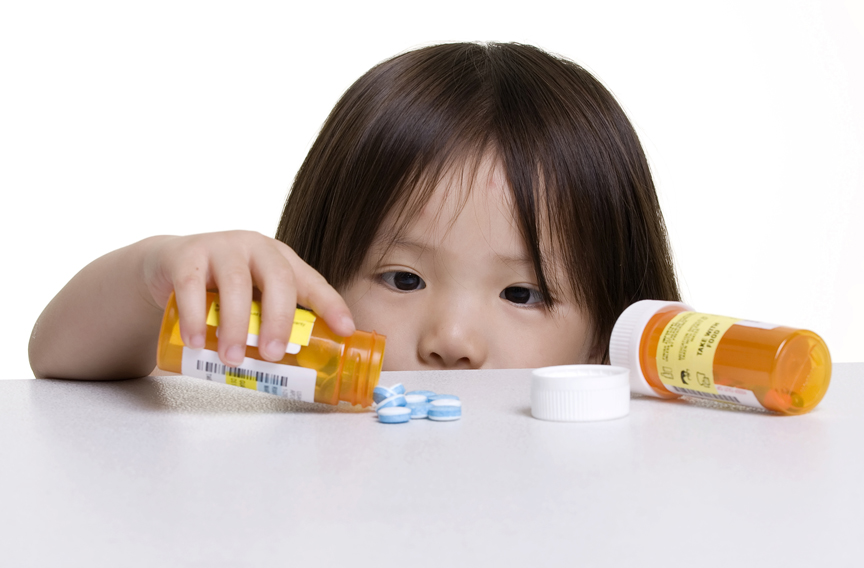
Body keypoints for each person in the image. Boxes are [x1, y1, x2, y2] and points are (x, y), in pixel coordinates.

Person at [28, 42, 680, 379]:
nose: (451, 342)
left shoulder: (613, 477)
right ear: (313, 277)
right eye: (402, 279)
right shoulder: (289, 379)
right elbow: (57, 356)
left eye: (520, 292)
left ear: (609, 336)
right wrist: (154, 273)